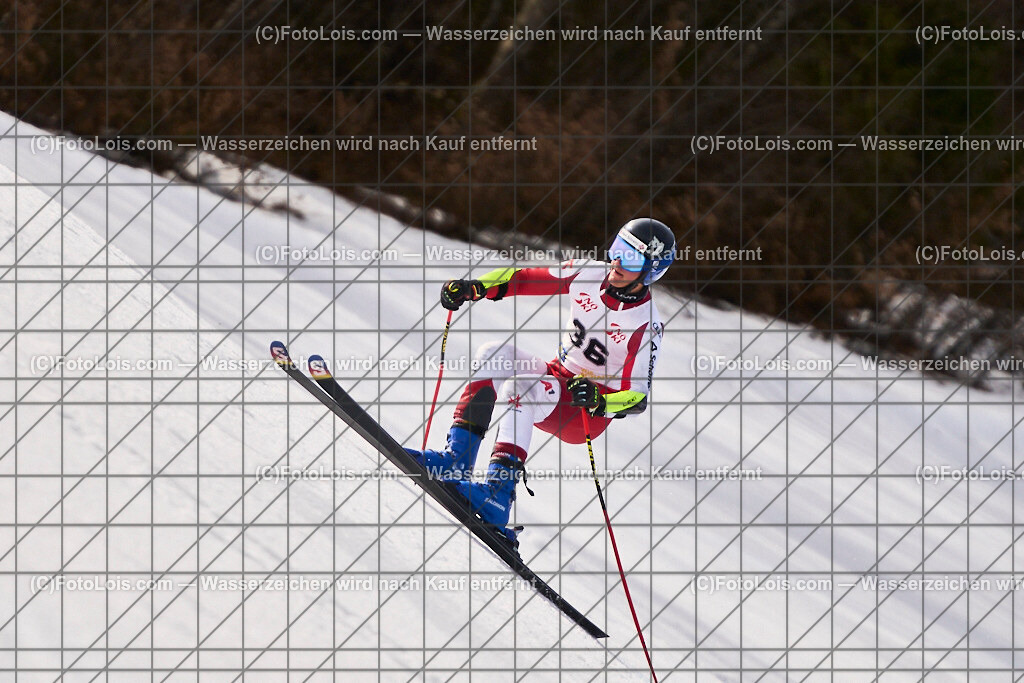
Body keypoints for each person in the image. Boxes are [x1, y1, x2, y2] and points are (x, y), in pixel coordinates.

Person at [405, 218, 674, 540]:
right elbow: (522, 279)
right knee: (493, 353)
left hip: (582, 411)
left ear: (651, 271)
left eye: (631, 258)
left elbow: (638, 397)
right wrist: (475, 287)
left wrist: (601, 400)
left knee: (520, 387)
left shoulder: (645, 325)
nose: (617, 261)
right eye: (617, 249)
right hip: (555, 378)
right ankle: (456, 461)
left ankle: (497, 495)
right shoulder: (588, 273)